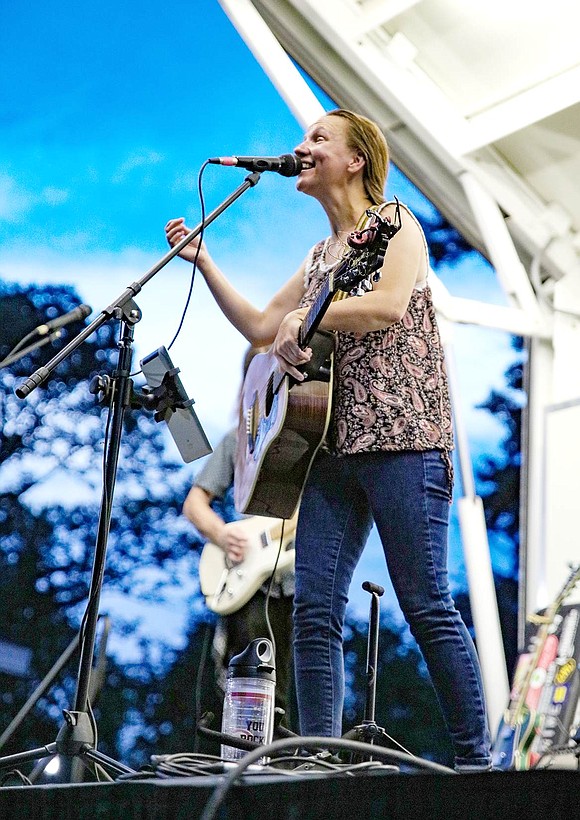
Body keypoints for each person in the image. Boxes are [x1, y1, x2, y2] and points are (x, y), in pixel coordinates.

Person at [166, 108, 492, 770]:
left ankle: (478, 765)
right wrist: (204, 261)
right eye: (302, 136)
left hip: (404, 436)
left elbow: (389, 304)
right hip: (331, 449)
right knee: (314, 612)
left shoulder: (394, 225)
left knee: (426, 600)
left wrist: (304, 319)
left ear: (355, 161)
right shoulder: (319, 257)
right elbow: (262, 326)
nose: (299, 146)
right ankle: (320, 760)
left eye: (318, 139)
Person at [182, 347, 295, 724]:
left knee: (292, 688)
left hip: (300, 583)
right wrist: (223, 534)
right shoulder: (236, 440)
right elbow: (195, 503)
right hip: (249, 584)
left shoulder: (308, 435)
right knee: (243, 687)